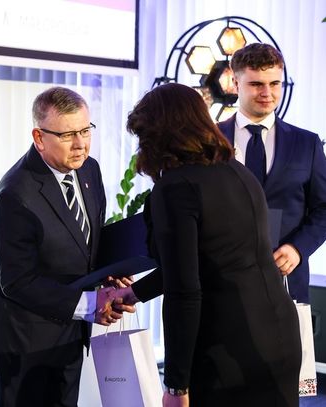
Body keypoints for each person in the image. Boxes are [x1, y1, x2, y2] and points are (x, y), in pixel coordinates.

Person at [116, 83, 301, 406]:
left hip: (226, 349)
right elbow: (208, 261)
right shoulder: (238, 172)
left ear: (159, 134)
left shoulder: (176, 188)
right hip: (278, 337)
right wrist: (132, 293)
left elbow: (184, 290)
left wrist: (176, 386)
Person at [0, 86, 131, 407]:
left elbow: (87, 241)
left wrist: (112, 274)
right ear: (39, 137)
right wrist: (90, 304)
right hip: (26, 344)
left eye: (85, 131)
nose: (80, 144)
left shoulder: (89, 169)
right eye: (68, 135)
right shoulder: (14, 194)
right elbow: (17, 281)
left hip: (71, 334)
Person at [218, 43, 326, 303]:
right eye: (256, 84)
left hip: (286, 284)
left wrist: (298, 248)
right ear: (235, 83)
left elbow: (325, 208)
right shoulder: (209, 140)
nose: (267, 93)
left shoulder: (307, 143)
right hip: (220, 284)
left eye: (275, 83)